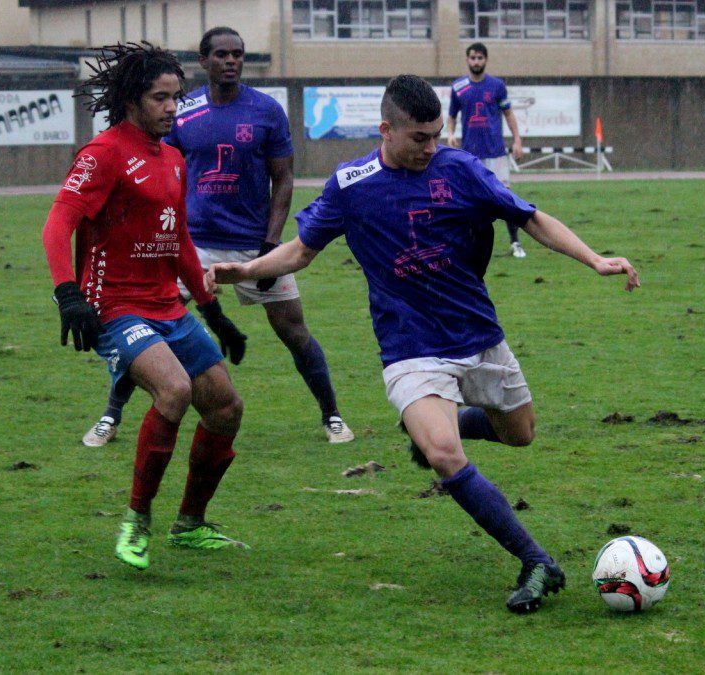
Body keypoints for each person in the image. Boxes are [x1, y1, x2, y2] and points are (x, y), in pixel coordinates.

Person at [204, 74, 640, 613]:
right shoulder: (351, 184)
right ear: (385, 129)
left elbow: (529, 219)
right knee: (442, 455)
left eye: (436, 135)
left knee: (520, 433)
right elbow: (299, 251)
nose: (431, 147)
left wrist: (595, 258)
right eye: (419, 138)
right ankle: (536, 561)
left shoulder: (458, 169)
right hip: (409, 344)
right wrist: (245, 268)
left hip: (478, 333)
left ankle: (444, 419)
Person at [83, 26, 353, 447]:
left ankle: (332, 415)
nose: (231, 61)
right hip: (193, 246)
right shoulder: (182, 111)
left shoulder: (266, 111)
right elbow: (160, 172)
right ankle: (110, 417)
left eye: (238, 54)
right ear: (204, 61)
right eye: (222, 54)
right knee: (151, 330)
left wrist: (270, 244)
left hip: (254, 245)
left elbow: (283, 179)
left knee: (294, 330)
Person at [43, 43, 251, 571]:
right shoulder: (104, 153)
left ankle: (191, 523)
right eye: (161, 98)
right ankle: (137, 520)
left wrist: (213, 311)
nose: (171, 108)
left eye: (176, 98)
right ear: (133, 99)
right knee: (175, 390)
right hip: (114, 308)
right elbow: (58, 224)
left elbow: (178, 241)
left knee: (226, 407)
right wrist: (68, 295)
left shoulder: (175, 159)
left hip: (168, 307)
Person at [447, 42, 527, 259]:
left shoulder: (497, 86)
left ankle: (515, 242)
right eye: (472, 58)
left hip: (496, 153)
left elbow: (508, 114)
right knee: (469, 201)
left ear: (486, 60)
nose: (476, 62)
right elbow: (452, 116)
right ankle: (468, 244)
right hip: (470, 155)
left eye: (480, 58)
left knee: (506, 198)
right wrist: (451, 134)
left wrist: (517, 140)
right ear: (467, 60)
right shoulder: (459, 87)